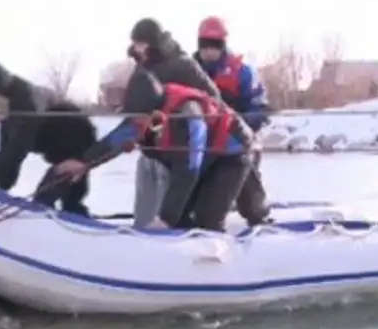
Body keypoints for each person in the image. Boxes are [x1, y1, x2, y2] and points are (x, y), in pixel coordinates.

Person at [55, 70, 265, 231]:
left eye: (142, 117)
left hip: (231, 151)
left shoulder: (187, 116)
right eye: (135, 116)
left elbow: (188, 170)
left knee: (207, 217)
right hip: (205, 156)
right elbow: (117, 140)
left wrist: (165, 219)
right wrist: (84, 163)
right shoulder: (147, 116)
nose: (139, 122)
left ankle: (221, 256)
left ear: (157, 110)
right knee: (181, 214)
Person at [0, 60, 96, 216]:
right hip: (57, 145)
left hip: (76, 141)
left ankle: (74, 219)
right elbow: (7, 147)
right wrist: (1, 183)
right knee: (51, 196)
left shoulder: (25, 102)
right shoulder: (8, 106)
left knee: (50, 197)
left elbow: (19, 146)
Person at [125, 18, 222, 228]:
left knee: (166, 175)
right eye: (135, 43)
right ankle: (141, 227)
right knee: (147, 165)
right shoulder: (143, 68)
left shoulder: (182, 65)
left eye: (140, 43)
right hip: (157, 136)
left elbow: (214, 99)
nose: (136, 48)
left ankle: (165, 225)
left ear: (152, 43)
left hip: (183, 137)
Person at [193, 16, 271, 224]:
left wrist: (236, 126)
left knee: (240, 156)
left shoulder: (242, 73)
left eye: (214, 45)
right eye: (204, 45)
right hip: (199, 144)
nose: (209, 51)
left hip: (236, 139)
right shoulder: (188, 71)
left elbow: (260, 109)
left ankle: (256, 210)